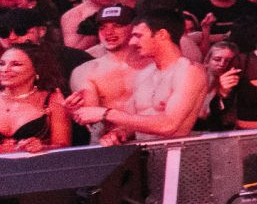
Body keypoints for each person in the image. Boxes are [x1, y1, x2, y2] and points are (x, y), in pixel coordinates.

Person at [72, 11, 206, 143]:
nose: (132, 42)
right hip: (143, 150)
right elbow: (136, 120)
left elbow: (168, 125)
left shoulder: (190, 71)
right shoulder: (145, 74)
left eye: (138, 36)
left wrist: (107, 113)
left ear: (162, 35)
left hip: (176, 151)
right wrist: (120, 132)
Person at [0, 44, 71, 152]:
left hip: (38, 162)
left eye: (16, 64)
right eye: (2, 64)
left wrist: (42, 147)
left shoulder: (53, 99)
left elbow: (64, 147)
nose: (5, 69)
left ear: (36, 69)